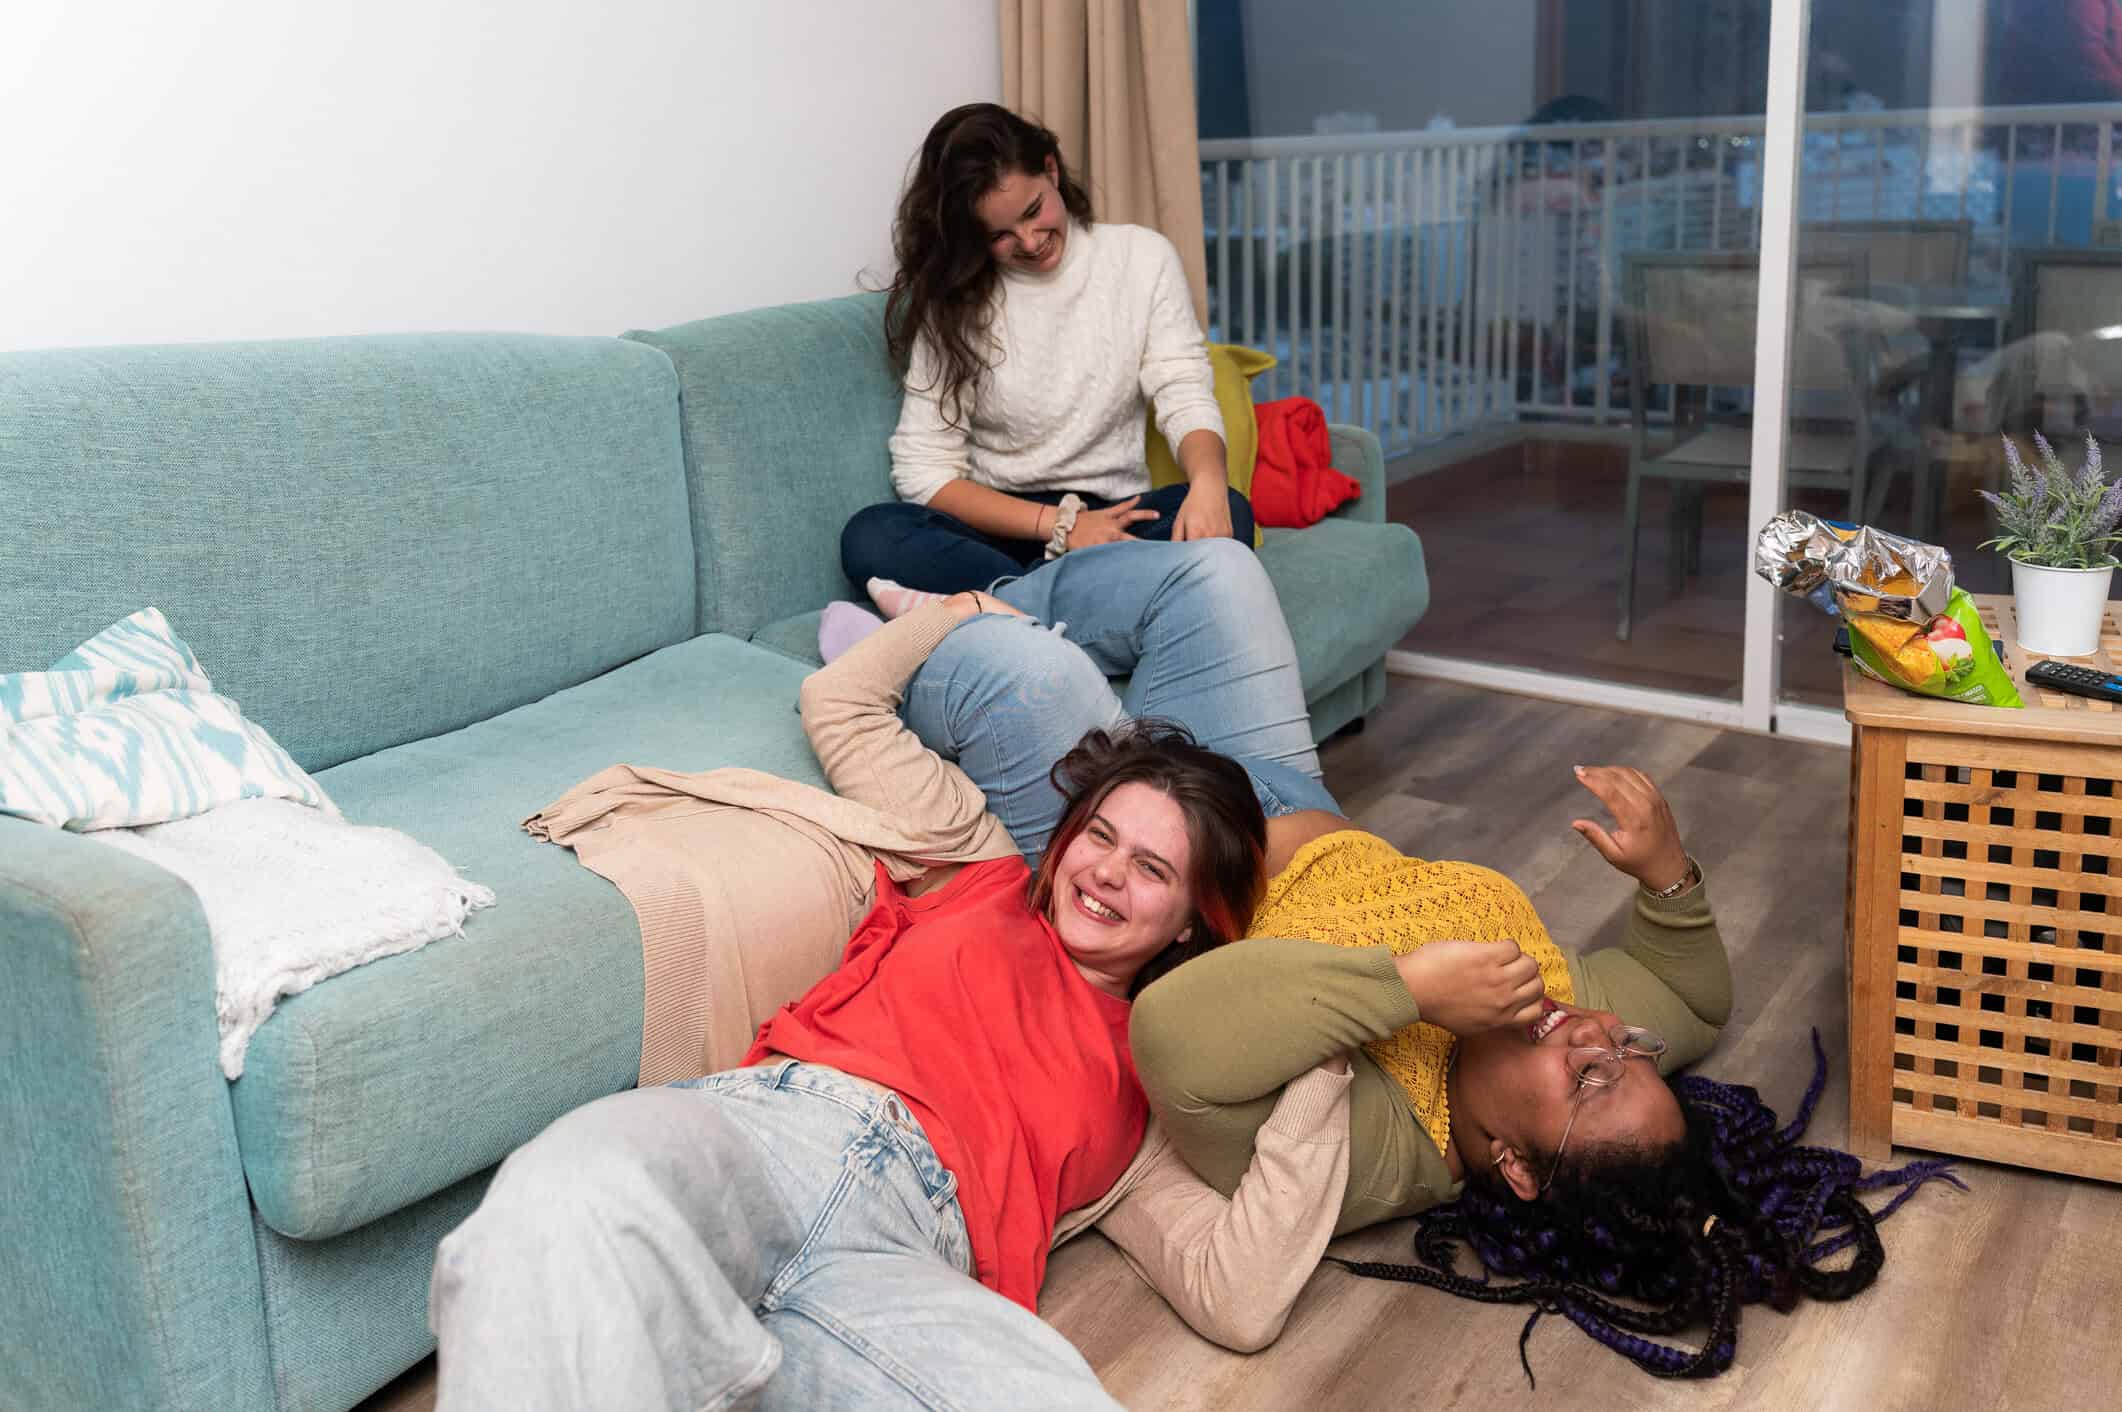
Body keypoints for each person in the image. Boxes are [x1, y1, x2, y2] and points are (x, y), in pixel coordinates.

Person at [428, 539, 1348, 1410]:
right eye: (1100, 836)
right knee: (563, 1193)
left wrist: (1333, 1034)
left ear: (1193, 921)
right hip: (768, 1134)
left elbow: (1237, 1295)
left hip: (907, 1262)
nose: (1106, 870)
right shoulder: (974, 866)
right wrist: (962, 610)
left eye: (1151, 869)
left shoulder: (1153, 1085)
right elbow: (841, 701)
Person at [900, 632, 1958, 1379]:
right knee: (1210, 571)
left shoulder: (1378, 1146)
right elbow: (1692, 995)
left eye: (1590, 1075)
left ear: (1512, 1162)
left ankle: (946, 618)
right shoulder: (1549, 1012)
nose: (1597, 1033)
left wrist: (1407, 989)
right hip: (1287, 791)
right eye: (1625, 1048)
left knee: (1021, 665)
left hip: (1172, 851)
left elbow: (1175, 1037)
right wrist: (1666, 871)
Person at [840, 102, 1255, 601]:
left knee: (1232, 509)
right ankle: (1064, 605)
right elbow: (922, 470)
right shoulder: (954, 300)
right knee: (871, 535)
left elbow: (1183, 389)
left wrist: (1208, 482)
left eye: (1034, 211)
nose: (1030, 242)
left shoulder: (1141, 258)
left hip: (1114, 523)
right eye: (999, 234)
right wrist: (1058, 525)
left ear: (1052, 170)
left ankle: (1013, 608)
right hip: (1004, 527)